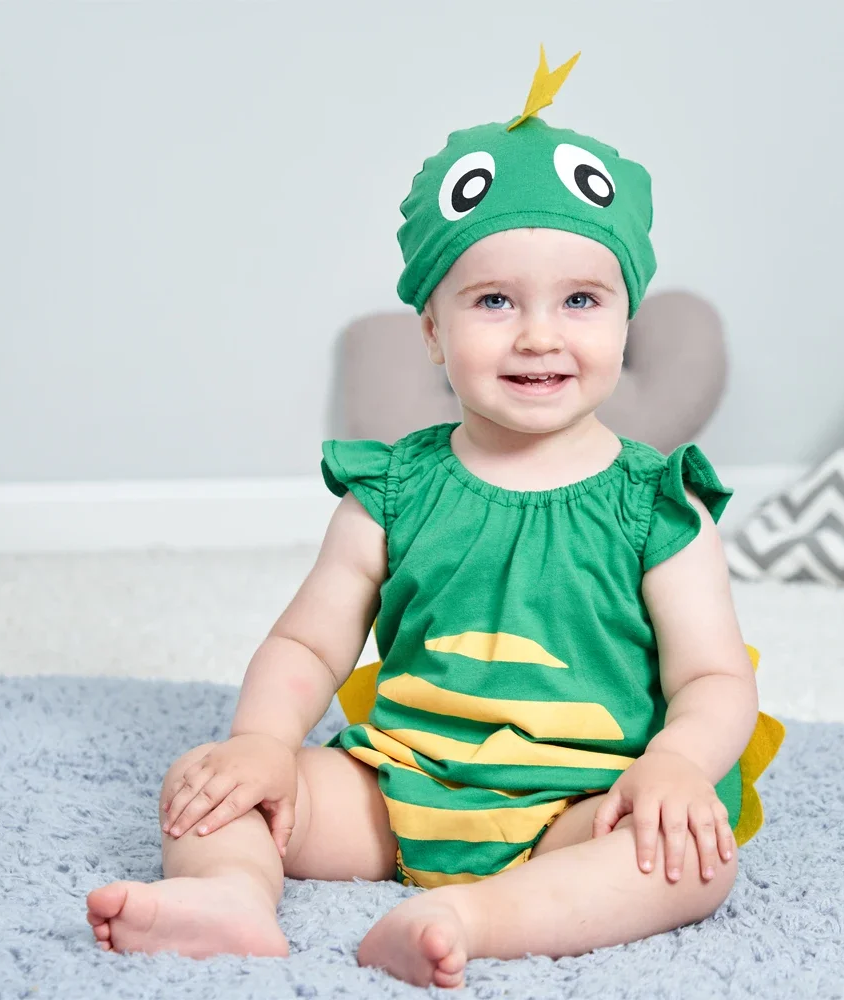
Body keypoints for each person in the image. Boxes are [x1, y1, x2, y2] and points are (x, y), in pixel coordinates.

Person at [86, 46, 782, 989]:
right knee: (207, 780)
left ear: (625, 321)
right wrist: (264, 744)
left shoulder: (656, 506)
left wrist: (674, 766)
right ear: (432, 332)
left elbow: (711, 677)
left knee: (695, 863)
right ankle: (232, 898)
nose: (539, 333)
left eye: (581, 300)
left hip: (579, 802)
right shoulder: (393, 492)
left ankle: (471, 917)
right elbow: (306, 644)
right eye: (494, 301)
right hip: (391, 789)